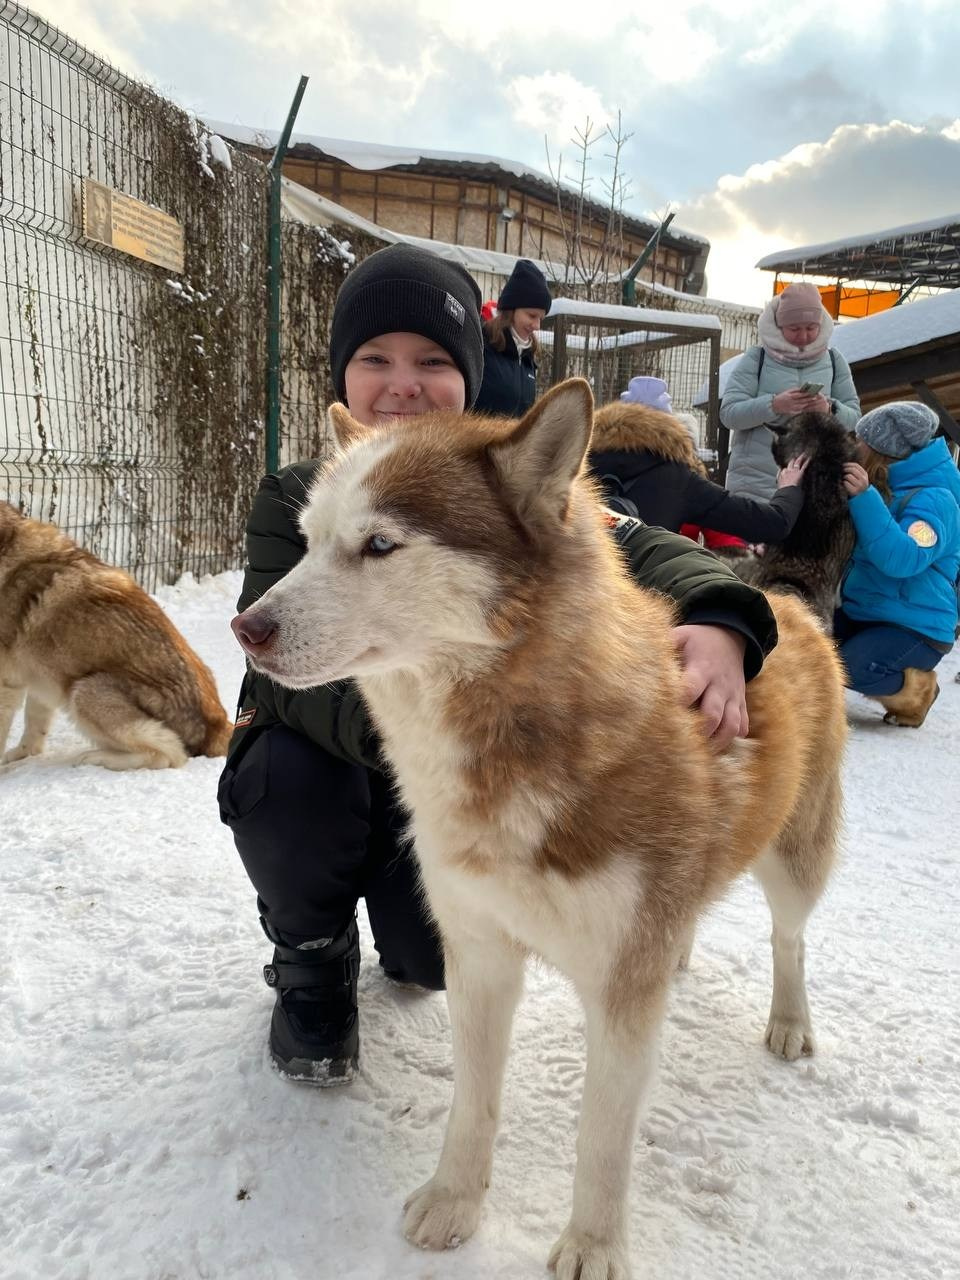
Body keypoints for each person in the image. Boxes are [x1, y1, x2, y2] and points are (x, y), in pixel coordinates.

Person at [217, 242, 780, 1088]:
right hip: (349, 761)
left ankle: (400, 922)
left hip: (451, 787)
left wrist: (722, 618)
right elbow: (283, 658)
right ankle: (311, 959)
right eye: (374, 359)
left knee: (430, 962)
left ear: (469, 377)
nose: (403, 384)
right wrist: (453, 747)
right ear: (343, 378)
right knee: (283, 778)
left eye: (431, 361)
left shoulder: (488, 487)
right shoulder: (304, 490)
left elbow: (639, 543)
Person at [837, 401, 960, 727]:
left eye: (860, 440)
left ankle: (918, 693)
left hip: (916, 626)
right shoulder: (883, 482)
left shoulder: (937, 498)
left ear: (884, 448)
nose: (854, 447)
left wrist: (864, 499)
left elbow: (902, 559)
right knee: (809, 646)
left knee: (852, 669)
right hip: (865, 611)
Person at [590, 387, 810, 542]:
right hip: (644, 591)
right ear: (670, 427)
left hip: (581, 589)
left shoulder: (580, 468)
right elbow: (773, 525)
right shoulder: (678, 480)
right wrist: (789, 489)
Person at [720, 282, 860, 500]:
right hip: (756, 486)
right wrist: (774, 405)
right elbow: (729, 414)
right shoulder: (757, 358)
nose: (803, 336)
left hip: (816, 488)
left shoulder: (834, 361)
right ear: (779, 326)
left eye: (811, 328)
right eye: (795, 329)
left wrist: (829, 410)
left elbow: (855, 419)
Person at [474, 258, 551, 416]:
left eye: (540, 319)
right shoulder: (482, 347)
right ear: (511, 310)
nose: (537, 325)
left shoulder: (528, 360)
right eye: (532, 316)